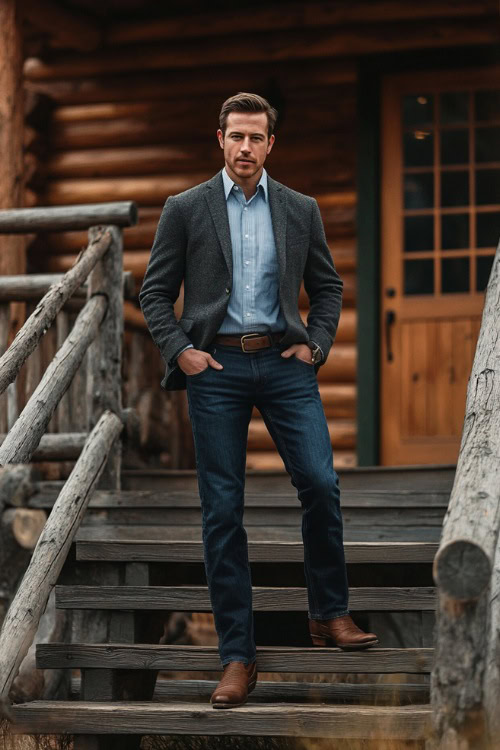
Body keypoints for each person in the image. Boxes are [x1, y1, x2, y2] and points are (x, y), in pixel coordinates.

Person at [139, 92, 378, 710]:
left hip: (282, 362)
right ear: (218, 138)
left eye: (256, 138)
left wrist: (316, 346)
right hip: (214, 365)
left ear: (272, 144)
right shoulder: (185, 209)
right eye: (235, 136)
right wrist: (181, 352)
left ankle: (328, 613)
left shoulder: (300, 209)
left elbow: (326, 287)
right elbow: (154, 293)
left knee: (322, 484)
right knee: (223, 511)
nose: (245, 147)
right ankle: (238, 657)